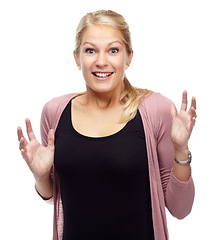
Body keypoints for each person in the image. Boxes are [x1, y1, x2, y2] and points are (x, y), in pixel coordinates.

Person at [17, 10, 197, 240]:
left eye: (113, 50)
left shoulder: (157, 110)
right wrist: (41, 176)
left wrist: (181, 150)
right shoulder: (54, 112)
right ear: (76, 57)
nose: (101, 61)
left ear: (129, 57)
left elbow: (180, 209)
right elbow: (52, 195)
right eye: (90, 50)